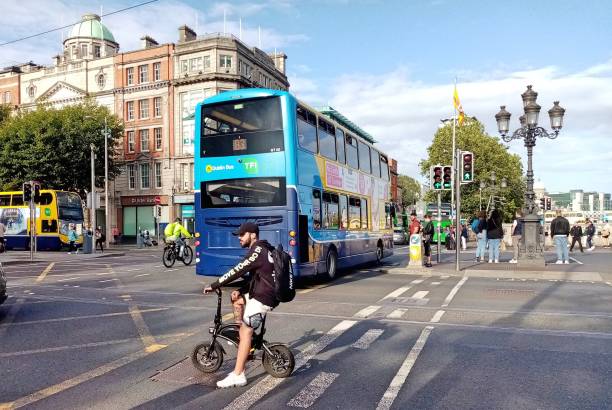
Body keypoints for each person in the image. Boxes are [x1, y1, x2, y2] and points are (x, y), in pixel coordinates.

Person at [202, 222, 277, 388]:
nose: (239, 238)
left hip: (264, 297)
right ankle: (242, 338)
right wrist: (241, 290)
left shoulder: (257, 250)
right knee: (237, 299)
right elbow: (258, 276)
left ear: (252, 235)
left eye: (242, 235)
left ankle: (238, 374)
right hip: (262, 291)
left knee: (246, 331)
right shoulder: (263, 249)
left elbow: (238, 270)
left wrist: (215, 285)